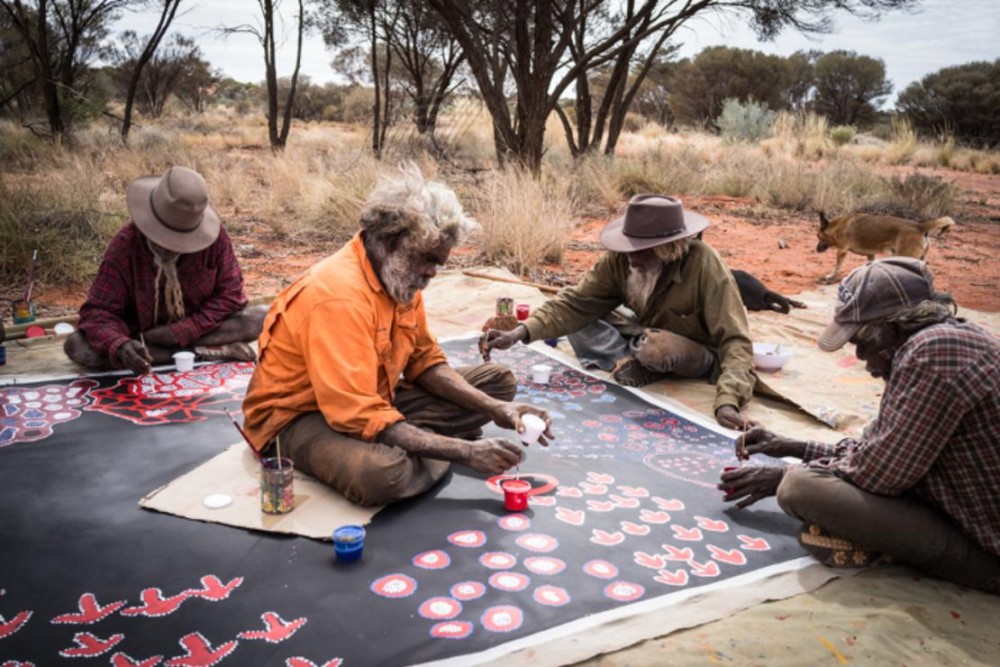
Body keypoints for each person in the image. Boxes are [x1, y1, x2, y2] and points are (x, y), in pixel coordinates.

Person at [241, 168, 553, 508]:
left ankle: (413, 438)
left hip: (375, 398)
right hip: (298, 418)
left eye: (439, 263)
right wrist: (463, 451)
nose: (433, 272)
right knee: (383, 473)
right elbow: (355, 412)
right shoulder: (337, 297)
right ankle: (420, 441)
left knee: (497, 383)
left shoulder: (400, 275)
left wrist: (498, 409)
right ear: (390, 242)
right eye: (429, 260)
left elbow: (424, 362)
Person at [722, 257, 999, 593]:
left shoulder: (929, 354)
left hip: (987, 549)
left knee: (800, 488)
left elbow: (879, 475)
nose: (865, 363)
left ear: (892, 329)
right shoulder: (948, 339)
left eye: (862, 346)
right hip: (965, 511)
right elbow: (879, 451)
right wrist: (789, 446)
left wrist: (781, 475)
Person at [481, 194, 755, 430]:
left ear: (671, 248)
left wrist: (728, 402)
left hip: (691, 351)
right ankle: (623, 361)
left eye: (641, 250)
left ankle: (644, 360)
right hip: (640, 330)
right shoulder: (621, 260)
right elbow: (576, 303)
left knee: (656, 348)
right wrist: (519, 332)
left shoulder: (704, 264)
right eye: (629, 247)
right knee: (579, 319)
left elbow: (736, 341)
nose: (632, 257)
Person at [65, 166, 267, 375]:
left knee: (262, 316)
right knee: (77, 344)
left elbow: (231, 296)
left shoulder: (216, 239)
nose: (172, 245)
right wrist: (121, 344)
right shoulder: (126, 244)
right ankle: (205, 353)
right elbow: (99, 310)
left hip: (200, 331)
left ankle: (185, 351)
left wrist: (181, 331)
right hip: (141, 337)